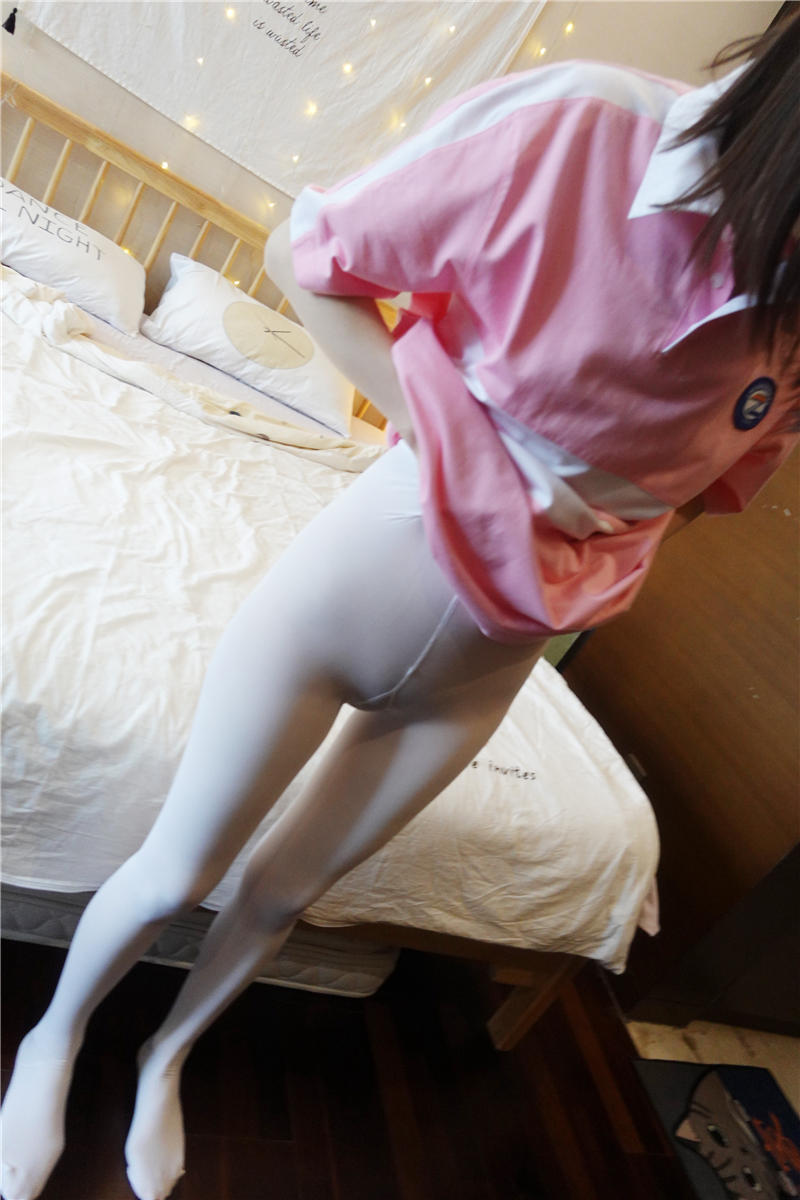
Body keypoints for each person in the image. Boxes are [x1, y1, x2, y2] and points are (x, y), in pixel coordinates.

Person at [2, 12, 798, 1200]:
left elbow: (705, 490)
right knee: (177, 870)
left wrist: (581, 541)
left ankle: (169, 1055)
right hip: (358, 583)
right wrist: (452, 449)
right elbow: (306, 255)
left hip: (493, 660)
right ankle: (53, 1037)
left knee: (285, 893)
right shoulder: (581, 128)